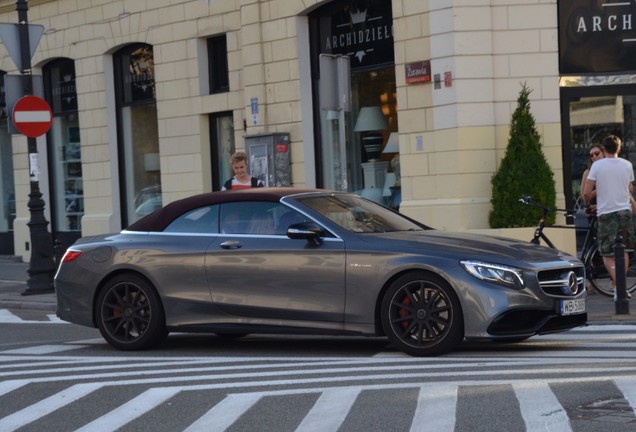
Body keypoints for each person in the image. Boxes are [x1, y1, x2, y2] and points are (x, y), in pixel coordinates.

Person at [583, 134, 636, 299]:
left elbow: (586, 192)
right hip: (624, 211)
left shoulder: (597, 167)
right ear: (619, 148)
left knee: (606, 252)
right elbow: (630, 188)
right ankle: (621, 287)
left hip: (606, 212)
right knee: (624, 250)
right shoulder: (627, 165)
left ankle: (619, 288)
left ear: (604, 149)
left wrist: (587, 202)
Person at [580, 143, 605, 218]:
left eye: (597, 153)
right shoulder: (588, 172)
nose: (594, 156)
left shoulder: (609, 169)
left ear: (603, 153)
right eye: (591, 155)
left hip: (609, 209)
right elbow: (583, 195)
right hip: (594, 211)